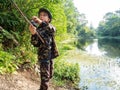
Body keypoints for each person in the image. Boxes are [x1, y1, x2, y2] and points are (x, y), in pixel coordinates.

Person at [29, 8, 59, 90]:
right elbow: (35, 44)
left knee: (50, 75)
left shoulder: (50, 27)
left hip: (51, 56)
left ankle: (42, 87)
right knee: (45, 78)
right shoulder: (38, 29)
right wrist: (34, 34)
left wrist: (41, 22)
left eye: (44, 15)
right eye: (40, 15)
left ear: (49, 19)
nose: (41, 16)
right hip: (43, 57)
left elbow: (53, 30)